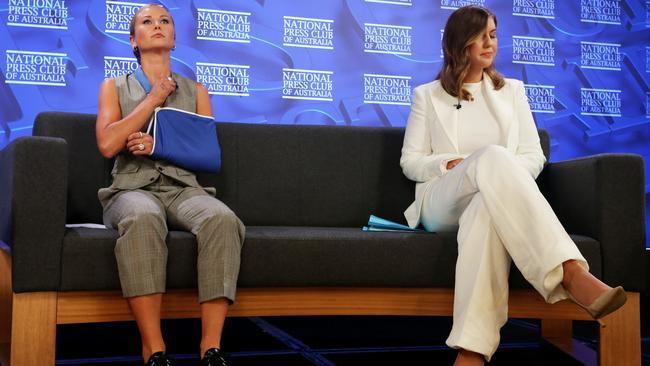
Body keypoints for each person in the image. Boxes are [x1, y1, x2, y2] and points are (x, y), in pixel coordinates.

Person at [400, 6, 627, 366]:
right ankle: (568, 271)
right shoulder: (427, 96)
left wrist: (500, 173)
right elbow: (410, 161)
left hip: (490, 199)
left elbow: (532, 155)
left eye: (494, 34)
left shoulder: (513, 92)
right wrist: (448, 163)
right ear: (460, 42)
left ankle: (471, 350)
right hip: (442, 200)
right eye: (481, 35)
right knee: (491, 157)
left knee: (488, 207)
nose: (490, 43)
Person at [95, 4, 244, 366]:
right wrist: (153, 99)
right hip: (131, 188)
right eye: (147, 22)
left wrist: (158, 145)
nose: (158, 26)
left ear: (174, 38)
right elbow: (108, 144)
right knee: (144, 216)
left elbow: (209, 155)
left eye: (165, 21)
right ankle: (154, 349)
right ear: (134, 39)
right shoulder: (114, 87)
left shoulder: (197, 91)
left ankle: (211, 348)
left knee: (222, 219)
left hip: (183, 188)